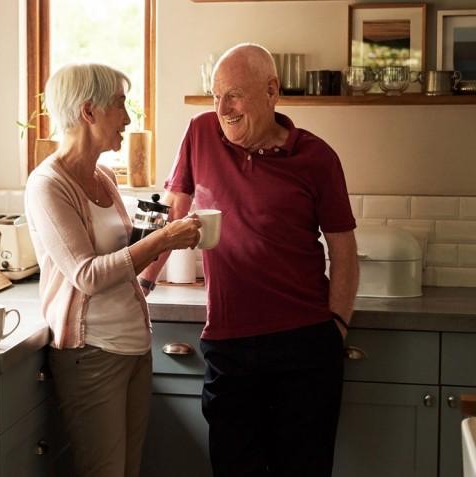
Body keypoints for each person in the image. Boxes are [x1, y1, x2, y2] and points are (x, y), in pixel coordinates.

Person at [140, 43, 359, 477]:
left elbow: (344, 250)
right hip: (229, 344)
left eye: (235, 94)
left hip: (304, 344)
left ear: (272, 91)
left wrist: (336, 327)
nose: (223, 107)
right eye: (216, 94)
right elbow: (173, 216)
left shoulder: (316, 158)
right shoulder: (200, 133)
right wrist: (142, 285)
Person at [24, 63, 201, 477]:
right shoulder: (47, 185)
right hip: (92, 355)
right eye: (120, 105)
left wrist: (150, 261)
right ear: (89, 112)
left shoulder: (103, 177)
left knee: (128, 469)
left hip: (134, 347)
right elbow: (85, 274)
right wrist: (164, 240)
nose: (127, 118)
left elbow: (122, 253)